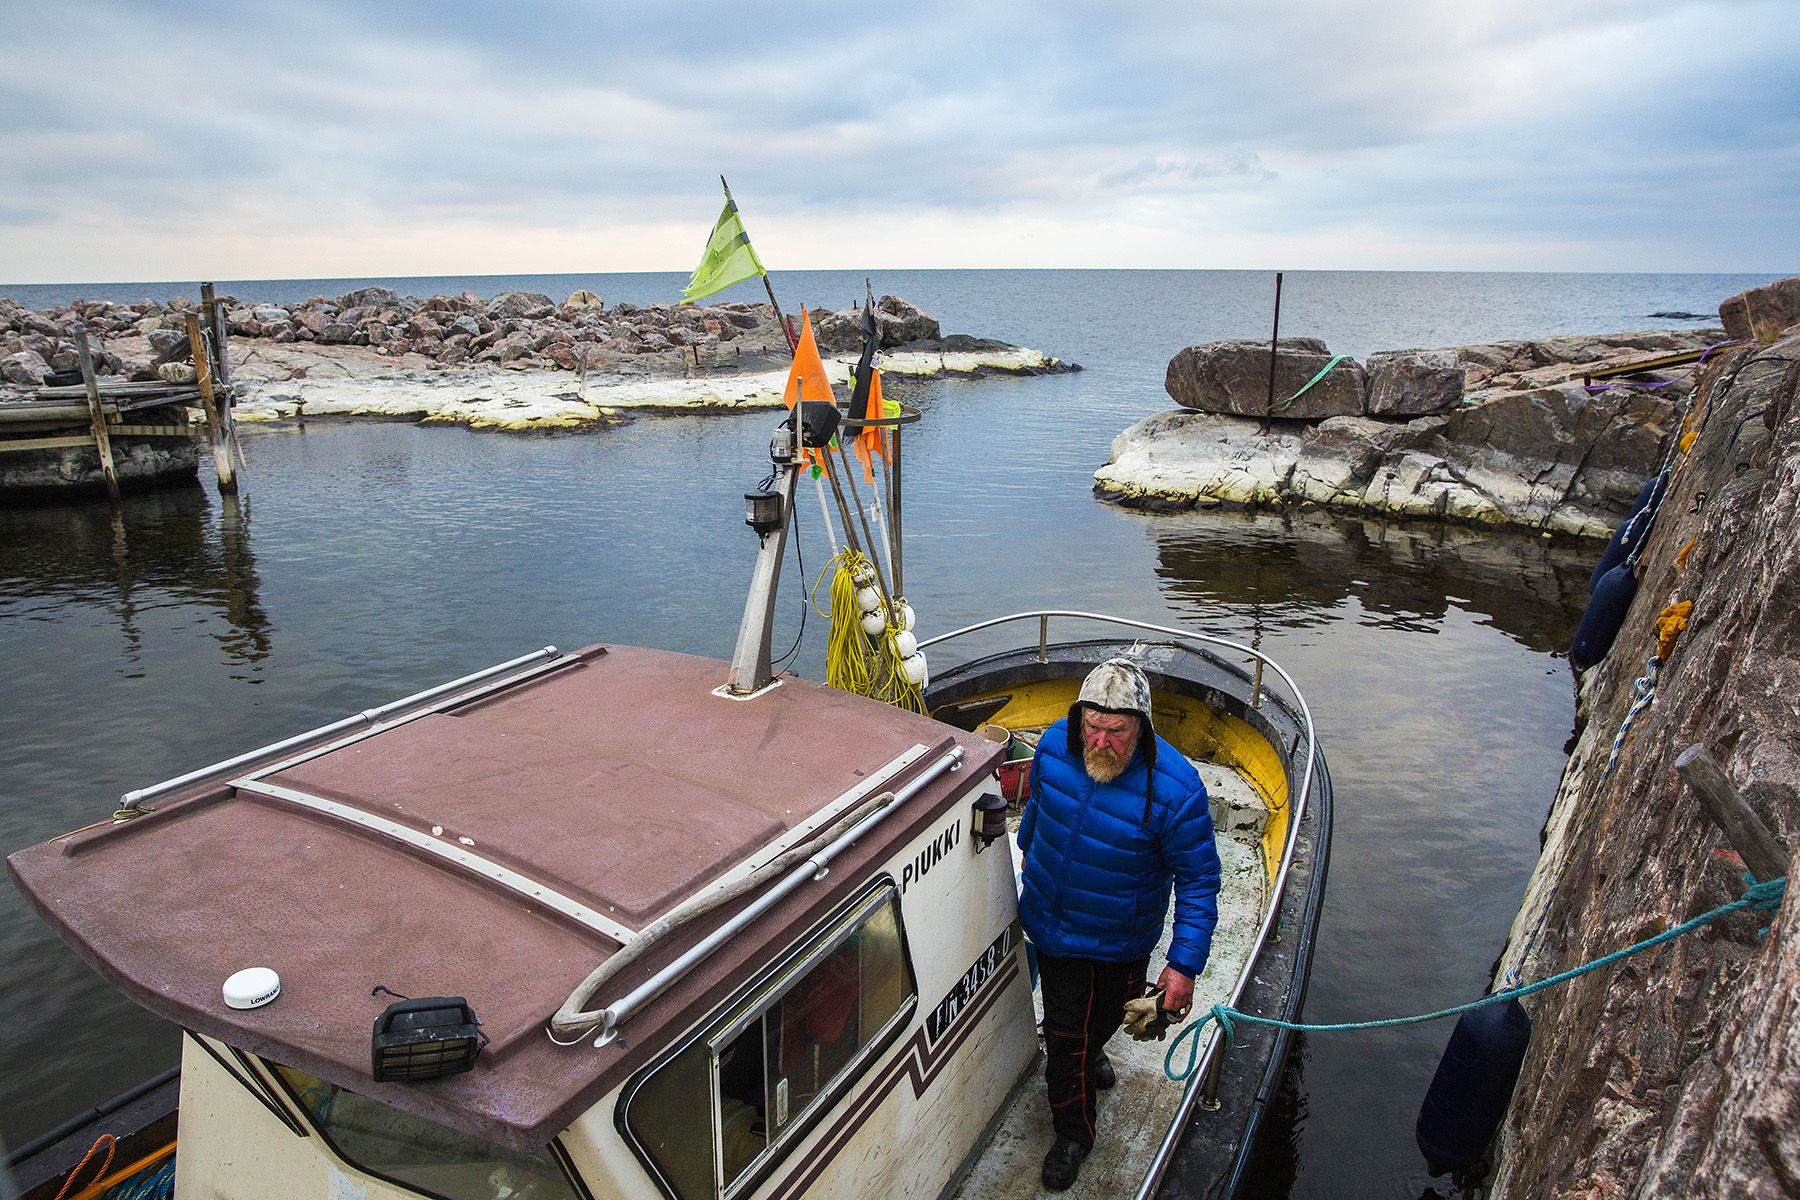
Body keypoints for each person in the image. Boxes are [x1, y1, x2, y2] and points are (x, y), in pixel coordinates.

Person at [1016, 657, 1222, 1191]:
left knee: (1106, 1020)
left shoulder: (1177, 789)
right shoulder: (1052, 748)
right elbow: (1036, 811)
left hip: (1122, 940)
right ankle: (1074, 1136)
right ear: (1078, 717)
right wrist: (1025, 858)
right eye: (1092, 727)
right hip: (1055, 928)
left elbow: (1198, 882)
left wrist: (1183, 968)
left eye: (1116, 731)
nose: (1101, 741)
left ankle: (1094, 1049)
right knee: (1066, 1045)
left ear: (1142, 728)